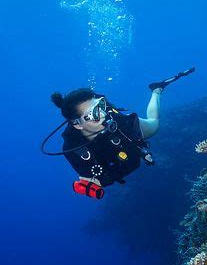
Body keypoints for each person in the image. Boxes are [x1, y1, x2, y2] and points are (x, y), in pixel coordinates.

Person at [44, 68, 195, 197]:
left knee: (154, 125)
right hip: (110, 155)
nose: (103, 114)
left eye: (101, 106)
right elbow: (92, 180)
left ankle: (156, 90)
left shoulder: (110, 117)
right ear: (77, 125)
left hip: (121, 127)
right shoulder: (74, 149)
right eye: (94, 114)